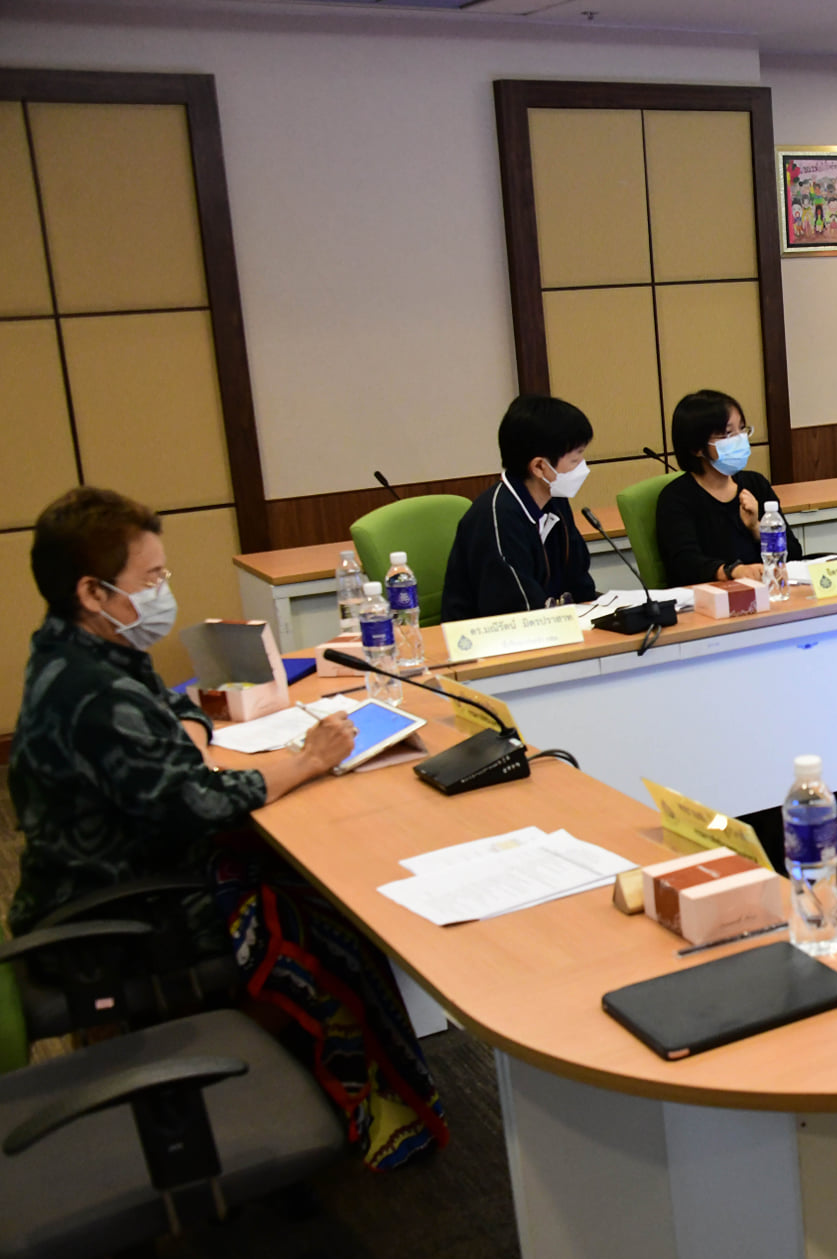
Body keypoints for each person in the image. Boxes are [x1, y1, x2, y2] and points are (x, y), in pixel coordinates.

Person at [10, 487, 447, 1169]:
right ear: (93, 592)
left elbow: (177, 712)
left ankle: (288, 1082)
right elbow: (200, 802)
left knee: (314, 882)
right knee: (328, 914)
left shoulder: (83, 650)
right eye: (150, 579)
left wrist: (187, 734)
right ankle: (318, 1104)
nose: (163, 591)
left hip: (130, 868)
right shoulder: (89, 692)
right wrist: (307, 761)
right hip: (114, 915)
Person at [442, 394, 599, 623]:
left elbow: (579, 581)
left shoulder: (555, 501)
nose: (582, 467)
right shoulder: (496, 517)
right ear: (539, 467)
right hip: (493, 636)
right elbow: (516, 609)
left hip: (554, 627)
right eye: (575, 461)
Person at [655, 389, 802, 586]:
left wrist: (756, 527)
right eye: (727, 434)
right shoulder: (676, 498)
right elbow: (685, 565)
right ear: (696, 448)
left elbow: (794, 553)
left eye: (741, 429)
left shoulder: (755, 484)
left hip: (768, 590)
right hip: (711, 597)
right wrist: (734, 571)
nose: (739, 439)